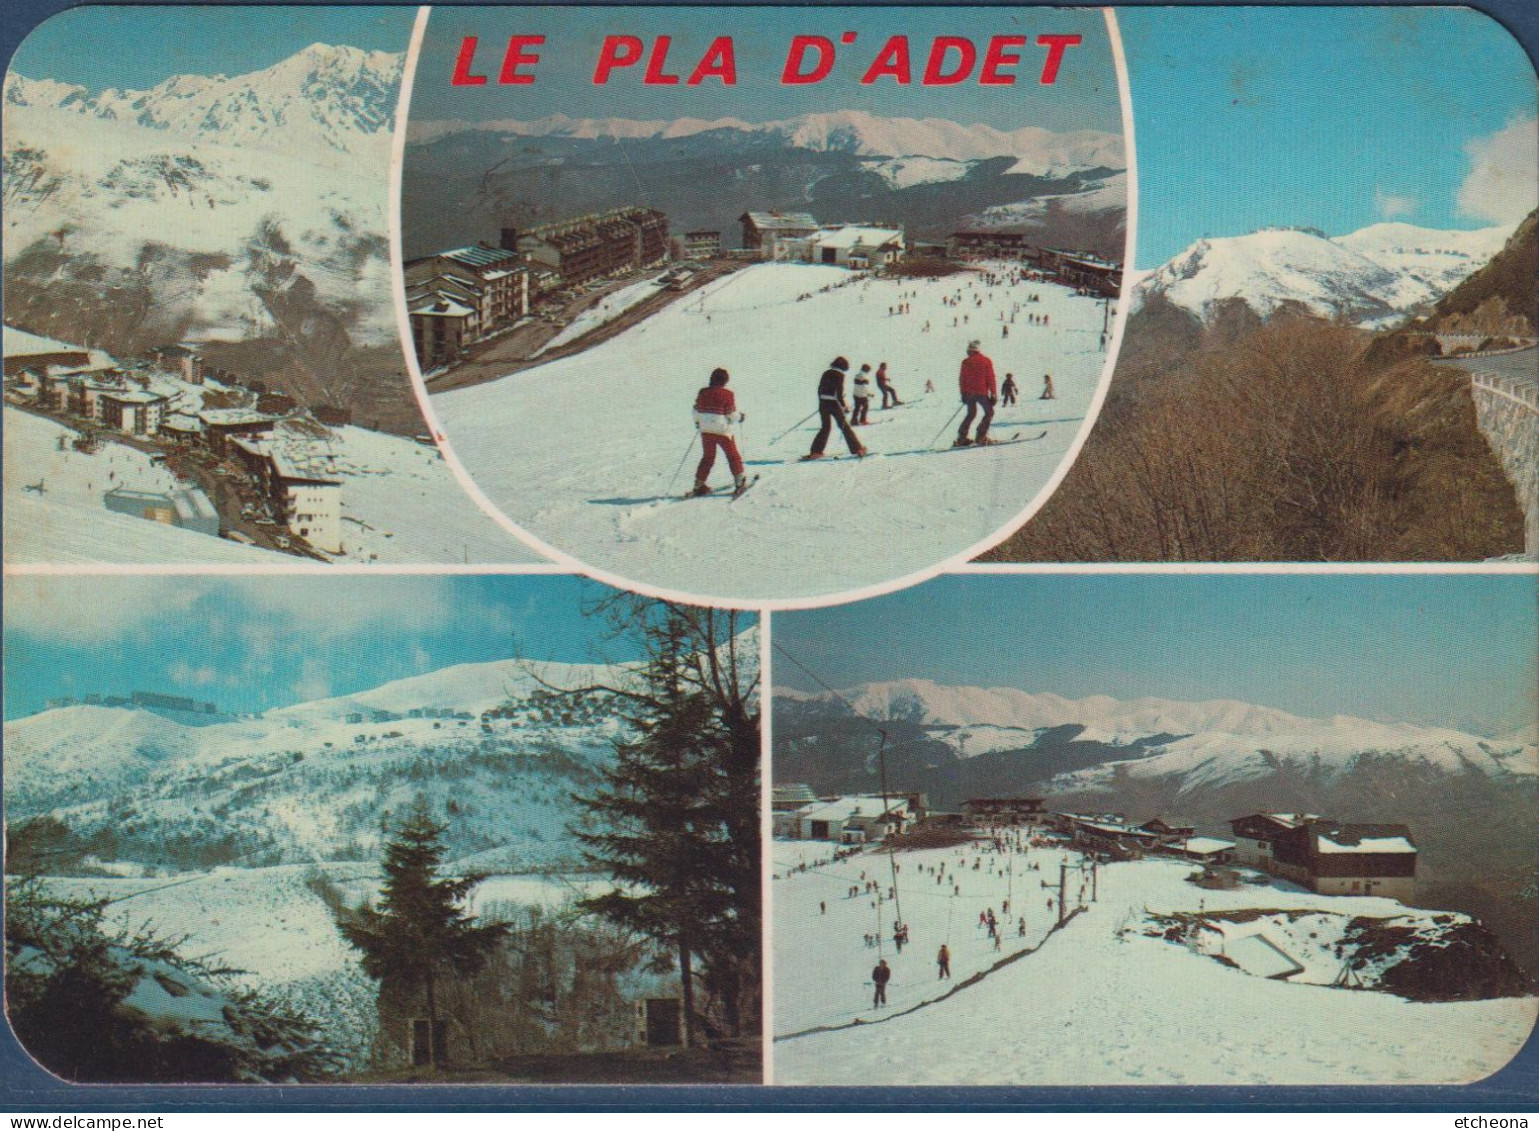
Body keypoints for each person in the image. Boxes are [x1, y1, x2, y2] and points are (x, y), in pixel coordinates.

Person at [690, 367, 747, 497]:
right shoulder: (727, 394)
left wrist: (698, 423)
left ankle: (698, 484)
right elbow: (731, 414)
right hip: (722, 431)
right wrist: (740, 417)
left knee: (708, 458)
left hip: (706, 431)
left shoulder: (702, 392)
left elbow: (696, 410)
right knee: (732, 456)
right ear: (725, 381)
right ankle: (739, 482)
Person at [805, 356, 866, 460]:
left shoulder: (826, 373)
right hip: (834, 404)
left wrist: (822, 402)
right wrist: (844, 407)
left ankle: (816, 451)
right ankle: (857, 449)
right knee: (844, 427)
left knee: (825, 427)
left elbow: (820, 389)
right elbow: (839, 394)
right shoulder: (839, 375)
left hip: (823, 403)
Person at [955, 340, 998, 447]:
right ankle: (981, 436)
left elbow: (962, 379)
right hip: (982, 393)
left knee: (971, 414)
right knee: (989, 412)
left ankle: (961, 437)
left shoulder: (965, 362)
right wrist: (993, 393)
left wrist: (963, 393)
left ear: (970, 351)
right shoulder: (986, 361)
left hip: (969, 394)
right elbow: (990, 378)